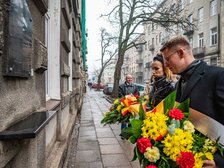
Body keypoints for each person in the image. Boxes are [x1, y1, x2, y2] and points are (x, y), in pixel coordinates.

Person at [160, 35, 224, 168]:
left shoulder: (218, 76)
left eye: (167, 59)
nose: (165, 65)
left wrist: (219, 162)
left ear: (181, 53)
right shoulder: (178, 84)